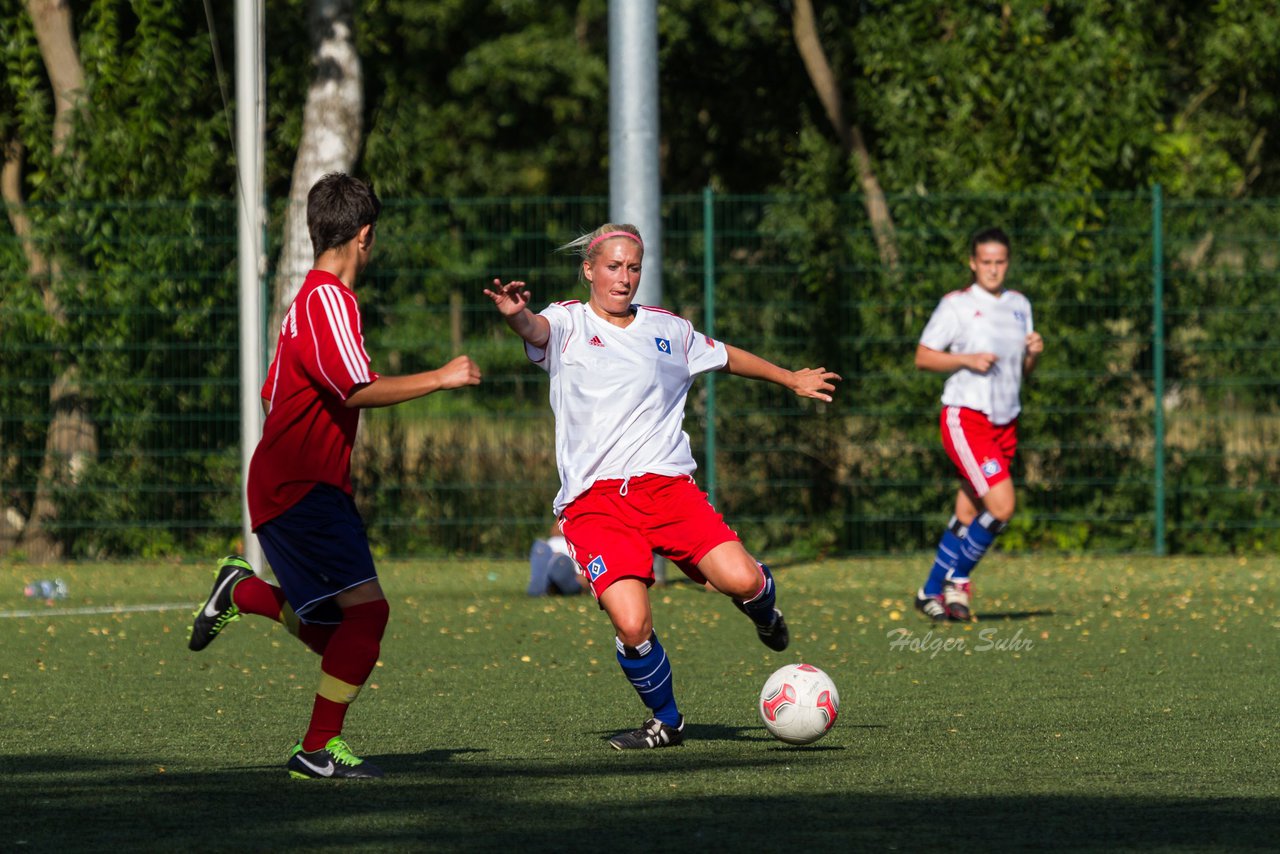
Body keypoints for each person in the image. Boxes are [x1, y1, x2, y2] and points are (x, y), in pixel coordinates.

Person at [484, 224, 840, 750]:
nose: (623, 278)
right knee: (632, 623)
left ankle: (764, 610)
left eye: (633, 267)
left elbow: (725, 355)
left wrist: (789, 377)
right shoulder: (566, 323)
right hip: (595, 503)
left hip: (667, 488)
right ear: (589, 269)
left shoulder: (666, 330)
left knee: (742, 579)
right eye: (612, 267)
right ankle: (667, 721)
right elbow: (534, 330)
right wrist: (516, 316)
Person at [188, 172, 481, 779]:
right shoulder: (328, 299)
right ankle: (316, 749)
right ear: (365, 236)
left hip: (290, 485)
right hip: (302, 489)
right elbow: (354, 389)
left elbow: (277, 394)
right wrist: (441, 376)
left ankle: (239, 592)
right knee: (367, 619)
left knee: (337, 637)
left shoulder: (305, 304)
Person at [913, 227, 1043, 622]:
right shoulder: (956, 305)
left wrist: (1034, 353)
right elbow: (923, 356)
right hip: (967, 417)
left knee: (969, 513)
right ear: (973, 263)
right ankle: (959, 580)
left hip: (1006, 419)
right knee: (1001, 506)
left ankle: (929, 590)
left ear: (1008, 262)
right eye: (985, 262)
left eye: (1000, 261)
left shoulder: (1020, 304)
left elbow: (1022, 370)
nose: (993, 269)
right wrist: (966, 359)